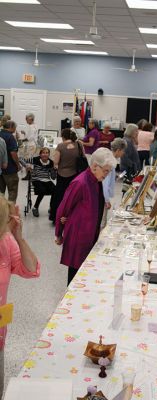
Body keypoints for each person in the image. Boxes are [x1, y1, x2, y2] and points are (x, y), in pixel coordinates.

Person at [55, 147, 117, 285]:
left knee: (85, 273)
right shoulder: (80, 182)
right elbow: (63, 208)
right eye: (106, 170)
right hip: (78, 236)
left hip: (89, 233)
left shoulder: (96, 180)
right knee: (75, 275)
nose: (107, 174)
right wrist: (59, 234)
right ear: (95, 166)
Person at [0, 195, 40, 397]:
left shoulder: (5, 241)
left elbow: (31, 269)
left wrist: (19, 237)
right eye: (8, 219)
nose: (13, 220)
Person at [49, 128, 80, 223]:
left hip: (62, 174)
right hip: (75, 174)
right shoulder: (78, 144)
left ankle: (57, 217)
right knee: (72, 196)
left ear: (63, 137)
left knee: (60, 196)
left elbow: (56, 162)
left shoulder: (60, 146)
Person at [102, 138, 126, 227]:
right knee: (102, 221)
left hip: (103, 195)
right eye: (123, 151)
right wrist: (106, 200)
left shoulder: (109, 158)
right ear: (118, 150)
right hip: (103, 197)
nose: (123, 153)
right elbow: (105, 183)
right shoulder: (111, 162)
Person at [25, 147, 56, 218]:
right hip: (36, 179)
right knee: (42, 190)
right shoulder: (35, 159)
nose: (45, 154)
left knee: (55, 190)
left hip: (46, 179)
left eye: (47, 153)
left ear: (49, 154)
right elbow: (22, 160)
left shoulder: (51, 162)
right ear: (40, 154)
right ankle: (35, 207)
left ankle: (51, 207)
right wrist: (27, 166)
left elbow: (53, 177)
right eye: (43, 153)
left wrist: (54, 170)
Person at [0, 120, 21, 203]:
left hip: (0, 169)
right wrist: (18, 165)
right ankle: (10, 213)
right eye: (15, 128)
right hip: (10, 169)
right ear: (11, 127)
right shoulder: (10, 137)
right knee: (12, 191)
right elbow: (13, 153)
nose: (15, 129)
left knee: (1, 193)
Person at [20, 113, 38, 180]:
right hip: (31, 145)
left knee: (28, 161)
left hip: (30, 145)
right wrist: (25, 133)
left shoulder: (31, 127)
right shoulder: (34, 125)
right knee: (29, 161)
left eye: (26, 119)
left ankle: (29, 175)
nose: (26, 120)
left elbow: (29, 138)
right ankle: (29, 174)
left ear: (30, 119)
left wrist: (21, 140)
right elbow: (29, 136)